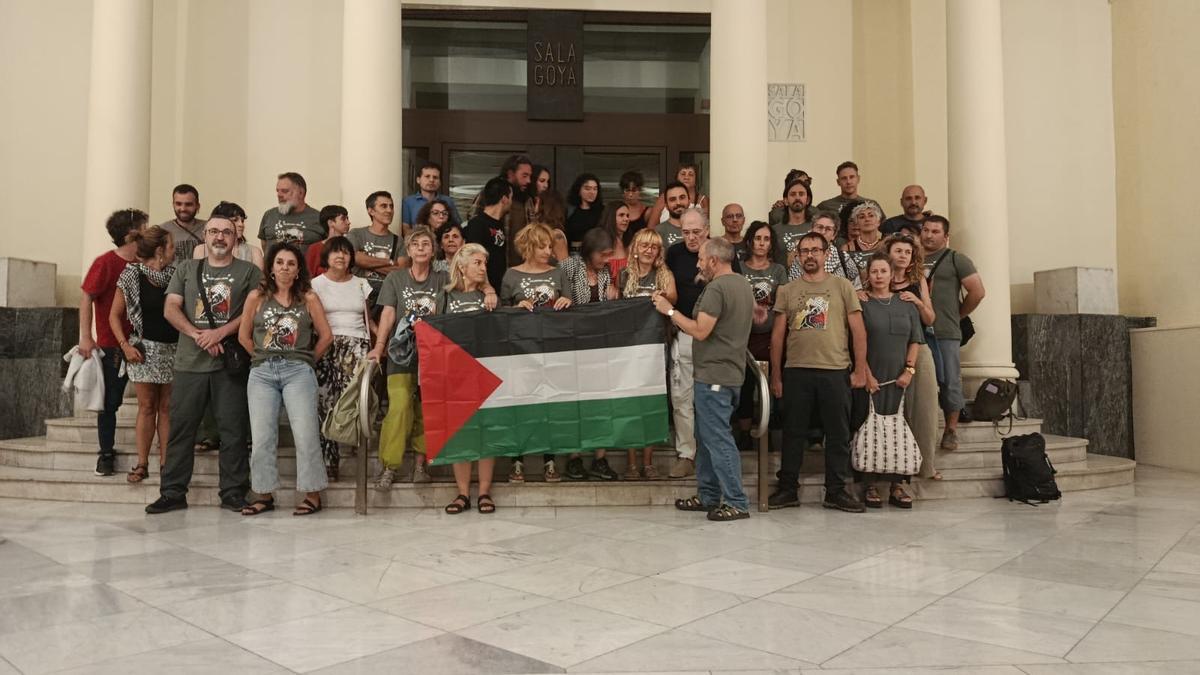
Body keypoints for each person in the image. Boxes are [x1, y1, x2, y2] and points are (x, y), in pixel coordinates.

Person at [146, 213, 262, 514]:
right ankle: (172, 492)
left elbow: (254, 311)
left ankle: (233, 492)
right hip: (189, 363)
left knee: (233, 430)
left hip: (229, 365)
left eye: (226, 232)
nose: (220, 237)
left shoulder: (249, 271)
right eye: (213, 231)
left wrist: (219, 333)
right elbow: (171, 308)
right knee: (182, 430)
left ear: (236, 237)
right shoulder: (186, 268)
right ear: (206, 236)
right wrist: (198, 335)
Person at [768, 232, 871, 513]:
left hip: (835, 370)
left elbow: (858, 331)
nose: (810, 255)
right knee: (793, 432)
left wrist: (860, 370)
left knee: (838, 434)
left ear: (826, 254)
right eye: (805, 251)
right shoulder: (787, 290)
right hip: (796, 371)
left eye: (816, 250)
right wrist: (776, 376)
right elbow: (777, 337)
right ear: (798, 257)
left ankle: (836, 491)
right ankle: (788, 488)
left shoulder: (842, 286)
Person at [652, 237, 754, 521]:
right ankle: (709, 495)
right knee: (706, 437)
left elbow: (700, 330)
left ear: (713, 261)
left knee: (718, 438)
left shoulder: (717, 288)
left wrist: (669, 311)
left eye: (700, 259)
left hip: (715, 376)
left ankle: (736, 501)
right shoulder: (743, 285)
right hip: (728, 373)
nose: (697, 264)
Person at [238, 242, 333, 516]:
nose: (284, 268)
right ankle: (263, 494)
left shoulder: (308, 298)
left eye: (291, 263)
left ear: (298, 269)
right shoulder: (256, 297)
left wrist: (307, 360)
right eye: (279, 262)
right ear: (271, 267)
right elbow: (243, 336)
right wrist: (261, 357)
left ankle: (312, 494)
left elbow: (326, 336)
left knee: (305, 434)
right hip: (262, 373)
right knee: (262, 437)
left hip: (298, 372)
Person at [368, 228, 447, 488]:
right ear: (409, 250)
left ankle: (420, 464)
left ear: (433, 250)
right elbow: (388, 313)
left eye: (426, 244)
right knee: (400, 406)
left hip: (433, 355)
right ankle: (389, 466)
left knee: (426, 410)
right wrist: (380, 346)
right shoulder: (396, 278)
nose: (421, 248)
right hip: (401, 352)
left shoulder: (443, 279)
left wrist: (489, 290)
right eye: (416, 244)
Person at [500, 223, 572, 483]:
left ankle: (549, 461)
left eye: (550, 246)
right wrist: (516, 306)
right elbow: (500, 313)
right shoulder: (511, 275)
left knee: (549, 405)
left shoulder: (558, 273)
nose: (548, 251)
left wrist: (567, 301)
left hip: (552, 349)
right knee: (520, 404)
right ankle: (516, 460)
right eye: (542, 246)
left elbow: (571, 307)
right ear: (528, 247)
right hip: (520, 350)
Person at [109, 225, 178, 483]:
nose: (174, 251)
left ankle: (166, 464)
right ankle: (142, 463)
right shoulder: (131, 275)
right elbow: (114, 315)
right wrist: (125, 346)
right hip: (143, 350)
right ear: (160, 250)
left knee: (167, 407)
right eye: (171, 246)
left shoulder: (175, 275)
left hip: (173, 348)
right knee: (147, 406)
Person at [80, 209, 146, 476]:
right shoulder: (105, 263)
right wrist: (86, 336)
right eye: (144, 228)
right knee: (110, 402)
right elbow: (87, 297)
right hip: (112, 344)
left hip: (143, 342)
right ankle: (105, 453)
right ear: (132, 235)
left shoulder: (145, 263)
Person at [856, 253, 923, 509]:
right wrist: (866, 374)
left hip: (900, 378)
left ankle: (897, 484)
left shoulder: (906, 303)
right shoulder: (861, 303)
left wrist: (909, 370)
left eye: (883, 271)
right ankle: (869, 483)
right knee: (869, 428)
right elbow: (856, 342)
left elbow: (915, 340)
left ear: (891, 274)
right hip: (872, 376)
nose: (879, 276)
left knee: (900, 429)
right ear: (868, 275)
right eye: (874, 271)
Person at [438, 243, 498, 514]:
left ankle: (484, 491)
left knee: (485, 432)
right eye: (477, 263)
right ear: (461, 267)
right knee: (459, 433)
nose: (483, 268)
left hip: (484, 372)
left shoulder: (489, 296)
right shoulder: (445, 295)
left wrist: (490, 291)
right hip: (453, 374)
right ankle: (462, 493)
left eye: (485, 263)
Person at [558, 228, 620, 481]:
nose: (607, 259)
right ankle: (574, 458)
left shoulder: (605, 272)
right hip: (572, 346)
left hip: (599, 346)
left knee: (601, 401)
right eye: (603, 254)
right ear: (589, 251)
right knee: (575, 403)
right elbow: (556, 291)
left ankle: (600, 458)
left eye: (609, 254)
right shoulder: (570, 267)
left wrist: (613, 296)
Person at [920, 215, 985, 452]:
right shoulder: (911, 258)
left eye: (935, 231)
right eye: (926, 230)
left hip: (945, 331)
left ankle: (950, 430)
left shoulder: (956, 259)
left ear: (946, 236)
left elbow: (977, 291)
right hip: (915, 332)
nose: (929, 235)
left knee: (949, 381)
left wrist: (958, 316)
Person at [311, 236, 374, 482]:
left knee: (353, 402)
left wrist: (381, 343)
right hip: (327, 344)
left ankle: (358, 452)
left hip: (357, 345)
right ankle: (329, 460)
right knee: (326, 403)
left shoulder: (361, 284)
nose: (341, 256)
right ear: (326, 257)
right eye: (335, 252)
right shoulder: (315, 285)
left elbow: (369, 320)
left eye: (346, 252)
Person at [618, 228, 676, 479]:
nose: (649, 250)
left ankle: (649, 462)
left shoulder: (664, 274)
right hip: (629, 348)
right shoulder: (624, 275)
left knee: (653, 402)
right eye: (645, 245)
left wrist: (663, 295)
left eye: (654, 247)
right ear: (635, 248)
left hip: (656, 347)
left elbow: (673, 297)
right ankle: (631, 463)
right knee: (631, 402)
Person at [882, 234, 941, 481]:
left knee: (924, 408)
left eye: (908, 252)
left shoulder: (918, 281)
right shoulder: (877, 277)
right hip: (887, 349)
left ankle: (926, 466)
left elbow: (930, 318)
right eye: (898, 251)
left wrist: (917, 301)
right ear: (888, 253)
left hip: (918, 348)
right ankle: (889, 467)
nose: (903, 256)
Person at [662, 207, 715, 478]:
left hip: (714, 338)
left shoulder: (721, 253)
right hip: (683, 332)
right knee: (681, 397)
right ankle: (686, 454)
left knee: (712, 399)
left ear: (707, 229)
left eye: (696, 232)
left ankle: (710, 453)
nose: (691, 237)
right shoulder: (674, 253)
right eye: (686, 232)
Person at [737, 221, 787, 446]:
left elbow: (782, 305)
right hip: (744, 337)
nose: (761, 243)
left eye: (766, 239)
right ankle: (744, 435)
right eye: (758, 238)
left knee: (774, 384)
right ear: (749, 241)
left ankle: (771, 436)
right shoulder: (739, 268)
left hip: (771, 337)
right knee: (745, 385)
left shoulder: (778, 270)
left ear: (771, 244)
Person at [347, 191, 406, 317]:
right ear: (371, 211)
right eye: (384, 206)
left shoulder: (398, 240)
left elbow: (401, 272)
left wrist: (366, 261)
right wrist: (390, 262)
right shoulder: (356, 234)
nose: (389, 210)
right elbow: (355, 258)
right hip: (357, 296)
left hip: (386, 299)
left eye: (391, 206)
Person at [464, 177, 514, 292]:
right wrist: (486, 286)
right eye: (511, 198)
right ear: (504, 199)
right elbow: (474, 259)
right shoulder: (477, 224)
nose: (511, 202)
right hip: (483, 291)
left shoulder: (500, 224)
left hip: (499, 289)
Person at [258, 172, 324, 254]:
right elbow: (264, 245)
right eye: (277, 191)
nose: (279, 195)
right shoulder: (269, 215)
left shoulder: (319, 218)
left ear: (301, 193)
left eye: (285, 191)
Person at [787, 212, 859, 285]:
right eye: (820, 227)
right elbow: (794, 286)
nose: (823, 232)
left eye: (828, 229)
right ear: (812, 230)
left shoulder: (843, 257)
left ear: (834, 235)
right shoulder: (801, 257)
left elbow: (856, 285)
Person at [192, 201, 264, 268]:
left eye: (242, 221)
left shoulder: (254, 252)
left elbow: (257, 277)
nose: (241, 224)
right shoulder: (201, 250)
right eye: (235, 220)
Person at [401, 161, 461, 234]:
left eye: (435, 177)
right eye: (427, 176)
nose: (431, 180)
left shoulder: (448, 201)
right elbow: (405, 228)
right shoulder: (408, 202)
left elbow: (457, 226)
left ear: (440, 182)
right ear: (418, 180)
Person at [158, 184, 205, 265]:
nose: (183, 209)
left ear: (197, 206)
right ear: (173, 205)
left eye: (188, 204)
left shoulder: (209, 228)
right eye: (178, 204)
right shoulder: (161, 231)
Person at [816, 161, 881, 218]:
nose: (848, 182)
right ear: (838, 182)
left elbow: (883, 226)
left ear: (858, 179)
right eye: (844, 178)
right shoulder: (825, 207)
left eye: (852, 177)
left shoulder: (871, 205)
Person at [773, 178, 813, 266]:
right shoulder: (775, 231)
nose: (797, 197)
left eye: (801, 194)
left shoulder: (817, 226)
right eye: (793, 194)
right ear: (786, 201)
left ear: (807, 200)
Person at [305, 204, 351, 278]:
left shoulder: (349, 247)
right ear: (330, 223)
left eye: (347, 219)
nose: (348, 222)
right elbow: (307, 276)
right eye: (343, 219)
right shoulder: (315, 248)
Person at [841, 200, 887, 273]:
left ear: (878, 222)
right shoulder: (847, 248)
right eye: (862, 217)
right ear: (857, 223)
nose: (867, 219)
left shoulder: (886, 246)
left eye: (871, 216)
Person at [565, 173, 603, 254]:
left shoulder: (603, 211)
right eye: (587, 188)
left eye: (595, 189)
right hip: (574, 254)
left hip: (597, 253)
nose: (592, 192)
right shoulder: (570, 211)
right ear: (578, 190)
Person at [600, 200, 633, 279]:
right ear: (611, 217)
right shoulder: (600, 242)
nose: (626, 219)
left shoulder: (630, 243)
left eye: (627, 215)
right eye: (621, 215)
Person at [655, 181, 692, 249]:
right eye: (672, 199)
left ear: (689, 201)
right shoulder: (659, 231)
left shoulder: (700, 228)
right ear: (666, 205)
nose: (678, 202)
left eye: (682, 197)